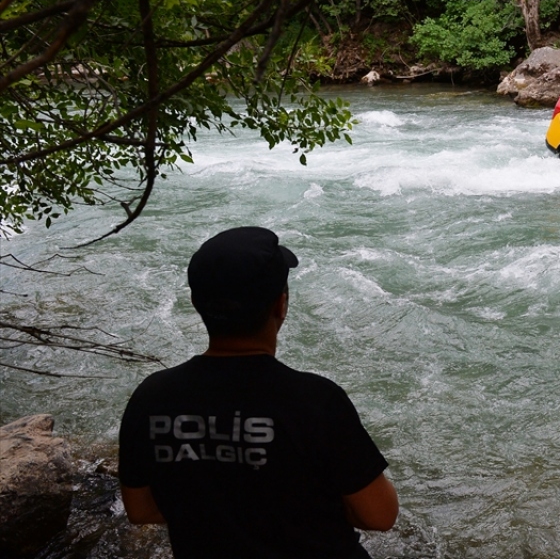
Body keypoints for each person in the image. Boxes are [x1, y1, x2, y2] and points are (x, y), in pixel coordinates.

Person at [119, 226, 398, 559]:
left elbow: (140, 510)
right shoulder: (315, 401)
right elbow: (380, 516)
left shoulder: (151, 397)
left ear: (196, 303)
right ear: (281, 305)